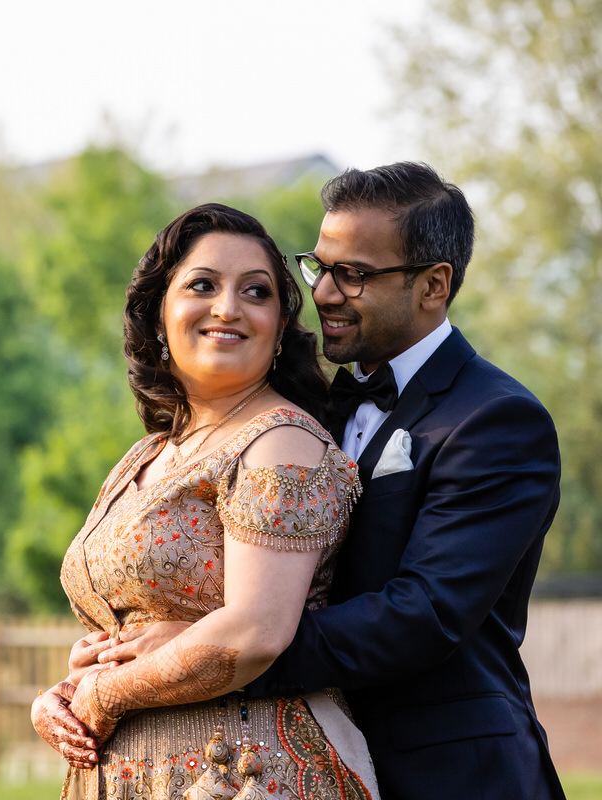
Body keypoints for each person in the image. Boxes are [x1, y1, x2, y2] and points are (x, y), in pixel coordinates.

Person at [31, 203, 379, 800]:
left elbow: (257, 630)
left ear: (278, 329)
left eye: (256, 292)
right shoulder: (144, 456)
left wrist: (105, 694)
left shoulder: (281, 441)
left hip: (247, 773)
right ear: (158, 316)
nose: (228, 308)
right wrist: (63, 695)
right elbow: (126, 628)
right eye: (202, 285)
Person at [243, 163, 565, 799]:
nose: (325, 293)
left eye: (354, 275)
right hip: (313, 763)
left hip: (452, 774)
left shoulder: (497, 420)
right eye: (319, 266)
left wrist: (233, 653)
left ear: (434, 286)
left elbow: (426, 614)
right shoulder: (306, 412)